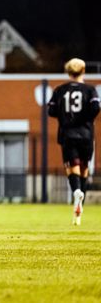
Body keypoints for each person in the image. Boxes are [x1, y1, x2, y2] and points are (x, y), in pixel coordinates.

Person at [48, 58, 100, 225]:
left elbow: (51, 110)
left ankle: (77, 192)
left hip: (67, 134)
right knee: (84, 168)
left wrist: (66, 118)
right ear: (83, 71)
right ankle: (79, 210)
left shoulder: (60, 90)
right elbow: (96, 108)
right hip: (86, 134)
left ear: (68, 72)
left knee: (72, 168)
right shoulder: (90, 90)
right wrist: (85, 119)